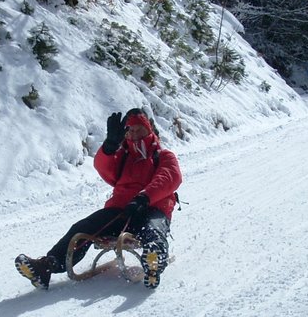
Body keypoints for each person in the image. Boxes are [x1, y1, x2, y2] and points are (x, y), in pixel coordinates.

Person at [16, 107, 183, 290]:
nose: (134, 134)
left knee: (152, 230)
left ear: (148, 130)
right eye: (131, 130)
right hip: (122, 210)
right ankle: (47, 266)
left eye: (139, 129)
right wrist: (109, 147)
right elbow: (105, 170)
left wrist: (144, 197)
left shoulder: (163, 155)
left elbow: (170, 177)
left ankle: (154, 260)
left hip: (153, 208)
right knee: (83, 228)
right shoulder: (123, 156)